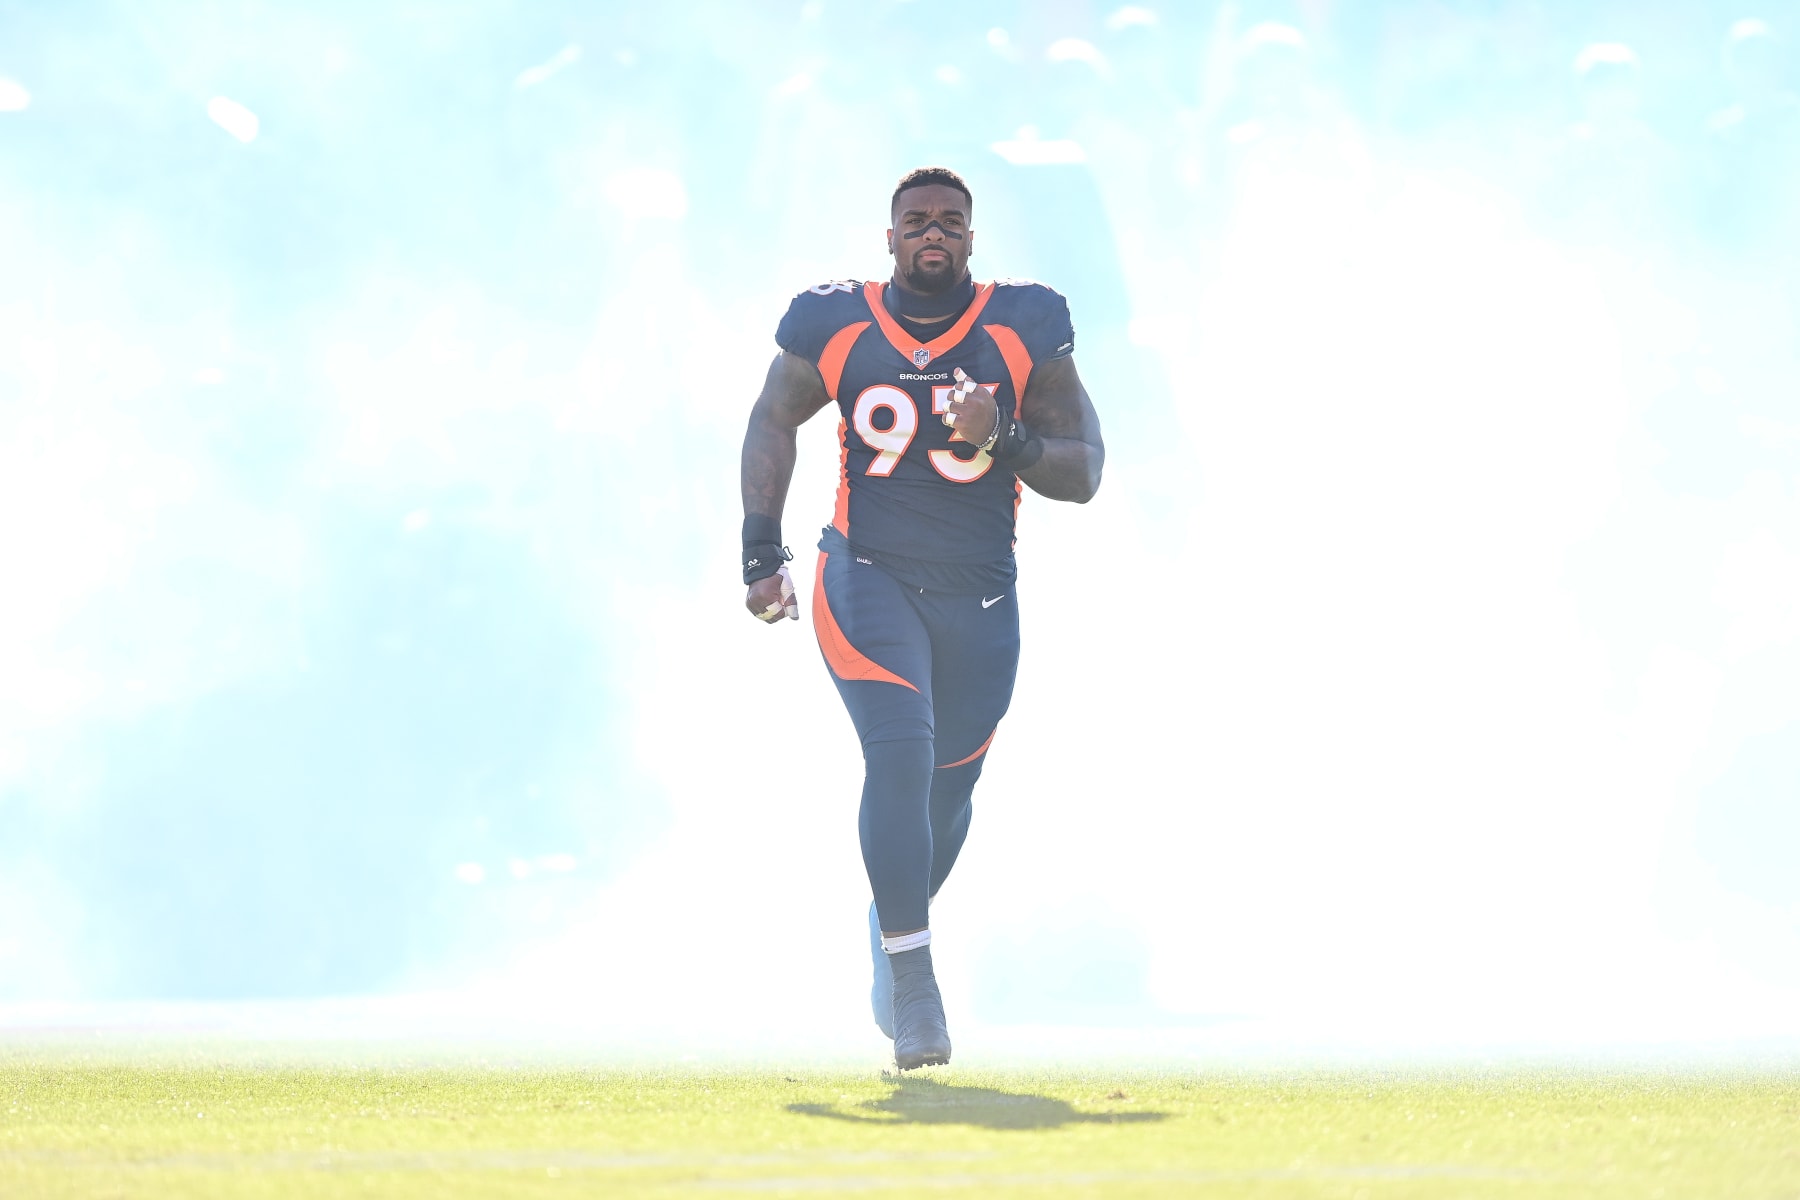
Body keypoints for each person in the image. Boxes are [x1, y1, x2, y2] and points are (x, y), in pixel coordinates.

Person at [738, 166, 1105, 1069]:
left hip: (980, 592)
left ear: (972, 239)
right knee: (897, 749)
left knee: (947, 797)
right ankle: (914, 987)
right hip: (866, 575)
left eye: (949, 221)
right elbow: (773, 416)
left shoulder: (1022, 327)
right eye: (916, 221)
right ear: (891, 236)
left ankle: (892, 922)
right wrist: (761, 551)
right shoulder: (835, 322)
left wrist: (1006, 438)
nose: (931, 233)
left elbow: (1085, 470)